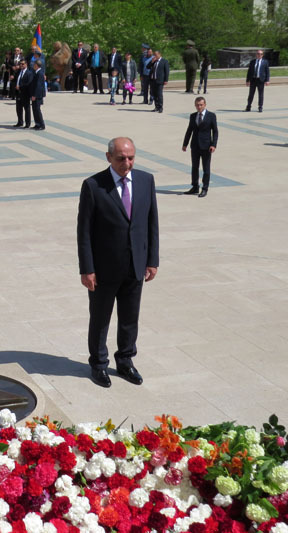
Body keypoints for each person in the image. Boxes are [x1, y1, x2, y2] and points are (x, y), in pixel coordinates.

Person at [77, 137, 159, 388]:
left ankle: (125, 361)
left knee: (129, 318)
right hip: (103, 270)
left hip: (135, 266)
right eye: (122, 158)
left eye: (131, 157)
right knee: (100, 319)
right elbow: (84, 232)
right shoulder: (93, 186)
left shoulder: (146, 181)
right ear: (108, 157)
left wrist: (152, 260)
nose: (127, 163)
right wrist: (87, 269)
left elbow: (151, 223)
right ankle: (99, 364)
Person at [182, 96, 218, 198]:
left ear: (205, 105)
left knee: (206, 169)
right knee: (194, 167)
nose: (199, 107)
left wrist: (213, 145)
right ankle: (195, 186)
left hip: (206, 146)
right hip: (195, 145)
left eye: (201, 105)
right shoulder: (193, 116)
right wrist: (185, 144)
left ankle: (205, 188)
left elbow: (215, 131)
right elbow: (189, 130)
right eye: (197, 105)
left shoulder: (211, 116)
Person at [13, 59, 32, 129]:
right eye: (20, 64)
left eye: (23, 64)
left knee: (27, 109)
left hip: (25, 93)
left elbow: (28, 83)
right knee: (18, 108)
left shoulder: (29, 73)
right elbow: (16, 80)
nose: (21, 65)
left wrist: (20, 87)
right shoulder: (18, 72)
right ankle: (20, 122)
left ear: (26, 64)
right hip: (18, 93)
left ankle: (27, 123)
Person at [30, 59, 46, 131]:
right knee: (34, 109)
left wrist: (34, 95)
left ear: (36, 65)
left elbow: (38, 86)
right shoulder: (36, 72)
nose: (33, 66)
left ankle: (41, 124)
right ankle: (37, 123)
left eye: (34, 64)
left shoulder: (40, 73)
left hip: (38, 95)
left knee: (37, 109)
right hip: (35, 94)